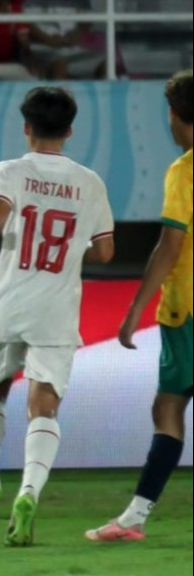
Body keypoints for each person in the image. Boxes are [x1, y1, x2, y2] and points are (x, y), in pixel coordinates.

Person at [0, 87, 115, 547]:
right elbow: (106, 251)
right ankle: (29, 493)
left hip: (8, 299)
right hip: (56, 305)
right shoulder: (89, 182)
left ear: (26, 127)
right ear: (70, 130)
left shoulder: (10, 170)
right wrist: (71, 249)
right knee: (44, 403)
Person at [87, 70, 192, 543]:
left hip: (186, 312)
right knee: (167, 404)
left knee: (169, 406)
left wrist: (133, 311)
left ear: (175, 117)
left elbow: (170, 246)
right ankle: (133, 517)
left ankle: (135, 518)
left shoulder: (184, 171)